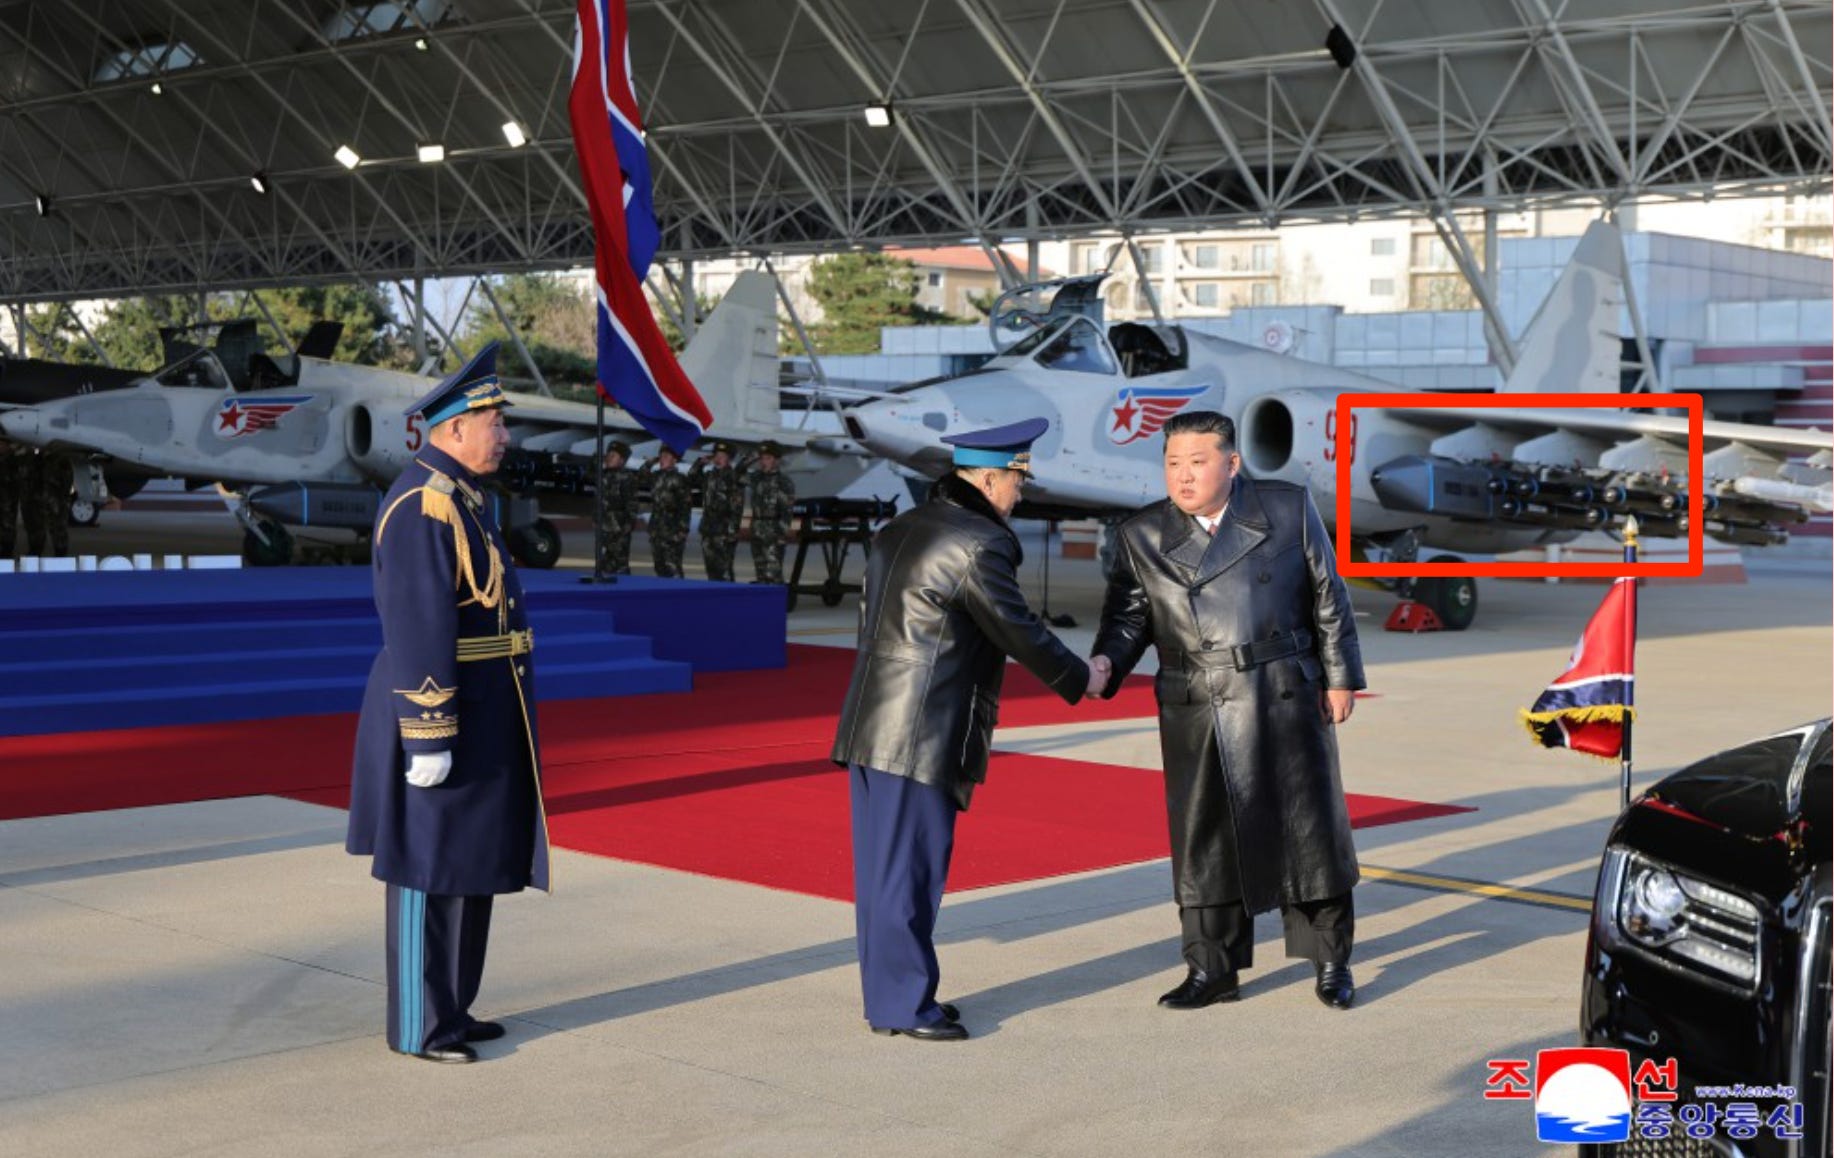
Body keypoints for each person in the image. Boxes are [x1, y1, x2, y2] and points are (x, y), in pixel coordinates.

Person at [832, 418, 1099, 1042]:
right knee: (911, 872)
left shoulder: (902, 527)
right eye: (1016, 480)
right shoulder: (978, 541)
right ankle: (903, 1005)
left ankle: (897, 993)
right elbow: (1017, 629)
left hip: (873, 720)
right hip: (921, 727)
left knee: (882, 871)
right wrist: (1080, 676)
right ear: (986, 477)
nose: (1020, 494)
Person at [1090, 410, 1366, 1011]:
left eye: (1197, 462)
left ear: (1231, 463)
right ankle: (1211, 969)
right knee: (1204, 842)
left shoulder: (1286, 509)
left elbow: (1328, 596)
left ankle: (1330, 962)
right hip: (1198, 701)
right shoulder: (1142, 534)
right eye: (1172, 464)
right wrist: (1106, 663)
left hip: (1282, 689)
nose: (1183, 477)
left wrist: (1341, 678)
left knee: (1307, 833)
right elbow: (1128, 618)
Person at [345, 341, 551, 1064]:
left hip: (485, 705)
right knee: (427, 868)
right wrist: (428, 730)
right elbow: (417, 621)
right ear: (454, 427)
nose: (504, 434)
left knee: (469, 862)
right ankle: (419, 1024)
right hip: (436, 706)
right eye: (494, 421)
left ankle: (454, 1009)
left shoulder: (464, 498)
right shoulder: (424, 504)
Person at [745, 441, 796, 584]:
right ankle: (763, 604)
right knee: (760, 571)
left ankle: (778, 603)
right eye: (761, 458)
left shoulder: (784, 482)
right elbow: (737, 474)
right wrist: (751, 458)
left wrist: (782, 535)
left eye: (767, 458)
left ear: (776, 460)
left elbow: (787, 512)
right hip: (757, 529)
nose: (763, 462)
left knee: (773, 572)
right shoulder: (756, 478)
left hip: (774, 531)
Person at [695, 441, 743, 582]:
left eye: (723, 455)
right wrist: (700, 463)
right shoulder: (709, 476)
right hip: (708, 529)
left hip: (724, 530)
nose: (718, 458)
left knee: (725, 568)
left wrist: (732, 532)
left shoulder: (733, 478)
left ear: (730, 458)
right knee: (711, 568)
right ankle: (714, 598)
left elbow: (737, 508)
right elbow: (692, 477)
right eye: (716, 455)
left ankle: (728, 599)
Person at [647, 445, 691, 578]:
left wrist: (682, 530)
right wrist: (651, 462)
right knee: (659, 565)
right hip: (656, 529)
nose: (662, 459)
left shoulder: (680, 479)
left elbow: (685, 506)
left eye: (666, 456)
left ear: (674, 460)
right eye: (661, 456)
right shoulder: (656, 476)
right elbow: (641, 475)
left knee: (673, 567)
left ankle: (678, 596)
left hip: (672, 529)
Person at [595, 439, 638, 576]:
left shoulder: (626, 477)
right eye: (608, 454)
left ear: (622, 460)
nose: (608, 457)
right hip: (604, 528)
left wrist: (627, 528)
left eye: (613, 455)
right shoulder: (603, 476)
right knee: (604, 564)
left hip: (619, 529)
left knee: (620, 565)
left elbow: (631, 505)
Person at [21, 448, 71, 557]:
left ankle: (60, 555)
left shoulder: (61, 460)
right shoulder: (36, 459)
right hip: (37, 501)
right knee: (36, 529)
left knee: (58, 529)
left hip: (56, 502)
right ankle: (35, 553)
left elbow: (66, 482)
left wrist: (60, 498)